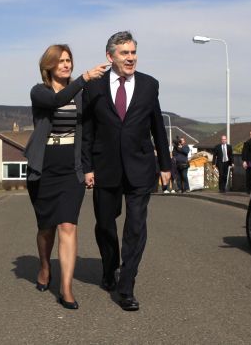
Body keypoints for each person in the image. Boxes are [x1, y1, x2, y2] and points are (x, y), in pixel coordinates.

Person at [82, 31, 171, 311]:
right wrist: (87, 167)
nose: (131, 58)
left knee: (136, 227)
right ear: (110, 57)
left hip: (140, 167)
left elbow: (157, 125)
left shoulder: (149, 85)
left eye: (133, 52)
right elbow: (87, 130)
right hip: (105, 167)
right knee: (105, 224)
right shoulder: (94, 88)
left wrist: (166, 165)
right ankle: (109, 269)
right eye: (125, 53)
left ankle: (127, 286)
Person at [25, 44, 107, 310]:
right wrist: (84, 79)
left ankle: (66, 287)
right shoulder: (40, 92)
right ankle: (45, 266)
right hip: (44, 169)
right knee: (46, 228)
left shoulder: (79, 95)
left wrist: (88, 167)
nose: (65, 64)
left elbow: (88, 133)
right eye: (60, 61)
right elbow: (56, 102)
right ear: (48, 66)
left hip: (71, 170)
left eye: (68, 60)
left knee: (68, 226)